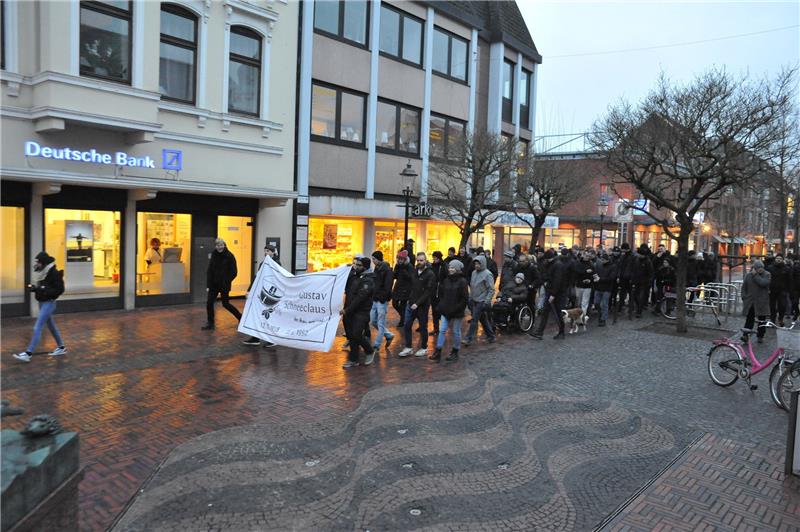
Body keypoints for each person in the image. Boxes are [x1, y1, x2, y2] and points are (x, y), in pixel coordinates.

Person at [13, 252, 67, 362]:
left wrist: (42, 289)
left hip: (49, 303)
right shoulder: (43, 273)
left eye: (38, 262)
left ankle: (28, 353)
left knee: (37, 327)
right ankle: (61, 347)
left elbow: (59, 290)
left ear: (44, 263)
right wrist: (34, 288)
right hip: (42, 302)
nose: (36, 264)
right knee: (51, 326)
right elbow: (43, 288)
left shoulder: (54, 273)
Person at [242, 245, 281, 347]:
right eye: (265, 251)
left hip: (271, 294)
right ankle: (255, 338)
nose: (266, 253)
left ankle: (272, 339)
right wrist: (249, 290)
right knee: (257, 314)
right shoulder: (262, 263)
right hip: (261, 293)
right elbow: (257, 277)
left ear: (273, 252)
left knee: (269, 316)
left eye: (268, 251)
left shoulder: (276, 263)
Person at [399, 252, 436, 357]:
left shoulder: (430, 274)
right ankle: (408, 347)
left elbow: (428, 292)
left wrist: (418, 303)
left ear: (425, 260)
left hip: (422, 306)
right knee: (407, 325)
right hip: (410, 304)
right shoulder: (415, 271)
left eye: (421, 260)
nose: (419, 262)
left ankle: (424, 347)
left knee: (423, 327)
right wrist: (409, 299)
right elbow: (411, 285)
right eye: (418, 260)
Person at [340, 257, 376, 368]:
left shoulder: (368, 280)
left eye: (359, 265)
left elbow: (360, 298)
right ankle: (353, 359)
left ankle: (369, 351)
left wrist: (347, 310)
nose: (356, 266)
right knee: (351, 336)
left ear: (365, 267)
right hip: (349, 311)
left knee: (356, 334)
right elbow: (345, 283)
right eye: (355, 264)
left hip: (361, 312)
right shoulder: (355, 276)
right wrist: (346, 270)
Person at [431, 259, 468, 362]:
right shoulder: (446, 280)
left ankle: (455, 351)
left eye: (452, 267)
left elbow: (464, 299)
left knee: (456, 331)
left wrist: (456, 309)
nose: (450, 269)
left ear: (456, 269)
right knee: (442, 330)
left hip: (457, 311)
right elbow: (442, 295)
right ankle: (438, 351)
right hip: (446, 310)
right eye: (450, 267)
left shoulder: (462, 281)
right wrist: (441, 306)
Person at [202, 238, 241, 330]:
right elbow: (210, 271)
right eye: (217, 245)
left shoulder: (230, 256)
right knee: (209, 303)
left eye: (221, 245)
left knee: (225, 304)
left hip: (224, 285)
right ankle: (210, 323)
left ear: (224, 245)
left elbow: (234, 272)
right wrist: (208, 285)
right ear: (215, 246)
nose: (219, 247)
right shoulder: (214, 255)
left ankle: (240, 317)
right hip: (214, 285)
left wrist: (226, 281)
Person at [531, 249, 568, 340]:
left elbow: (557, 281)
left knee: (558, 313)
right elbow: (545, 276)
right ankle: (539, 332)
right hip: (550, 291)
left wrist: (553, 294)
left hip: (557, 293)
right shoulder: (550, 264)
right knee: (545, 312)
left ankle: (561, 332)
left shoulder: (557, 265)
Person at [463, 255, 496, 345]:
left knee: (474, 319)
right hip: (474, 299)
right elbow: (473, 286)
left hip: (482, 300)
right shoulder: (474, 272)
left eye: (478, 264)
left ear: (483, 264)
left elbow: (491, 289)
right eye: (475, 264)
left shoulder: (488, 274)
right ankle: (491, 336)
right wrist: (470, 297)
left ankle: (468, 338)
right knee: (483, 319)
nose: (476, 265)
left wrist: (487, 301)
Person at [369, 250, 395, 352]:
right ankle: (388, 335)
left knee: (380, 323)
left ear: (378, 259)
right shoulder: (377, 268)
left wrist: (382, 298)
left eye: (374, 259)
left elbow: (388, 286)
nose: (373, 261)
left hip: (381, 300)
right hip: (375, 298)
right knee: (373, 321)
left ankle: (377, 345)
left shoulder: (387, 270)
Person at [741, 260, 771, 343]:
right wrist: (744, 297)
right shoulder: (748, 275)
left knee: (762, 320)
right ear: (755, 268)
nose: (760, 269)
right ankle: (745, 335)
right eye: (758, 268)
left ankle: (760, 336)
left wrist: (755, 275)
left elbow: (763, 283)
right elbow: (744, 287)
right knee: (749, 319)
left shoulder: (767, 274)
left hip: (762, 302)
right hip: (751, 301)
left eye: (762, 267)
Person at [593, 252, 618, 326]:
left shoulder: (613, 266)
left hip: (607, 288)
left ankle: (603, 319)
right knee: (596, 302)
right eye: (601, 259)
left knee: (604, 304)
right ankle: (600, 314)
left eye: (603, 260)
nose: (602, 261)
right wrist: (595, 277)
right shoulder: (600, 266)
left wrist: (600, 279)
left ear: (607, 260)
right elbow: (596, 273)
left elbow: (611, 278)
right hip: (599, 287)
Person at [767, 253, 792, 327]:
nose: (778, 260)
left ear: (782, 260)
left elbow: (790, 280)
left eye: (780, 259)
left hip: (783, 290)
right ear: (775, 259)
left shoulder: (786, 268)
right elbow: (767, 278)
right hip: (772, 290)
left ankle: (780, 318)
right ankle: (772, 319)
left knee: (782, 305)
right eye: (777, 258)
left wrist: (789, 290)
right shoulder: (770, 267)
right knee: (772, 306)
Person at [392, 250, 414, 327]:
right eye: (398, 258)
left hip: (406, 289)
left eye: (401, 259)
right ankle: (404, 317)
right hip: (397, 287)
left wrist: (404, 271)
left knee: (403, 306)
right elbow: (395, 276)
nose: (399, 260)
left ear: (404, 259)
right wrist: (394, 272)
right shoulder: (397, 265)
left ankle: (402, 321)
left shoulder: (409, 266)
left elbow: (411, 277)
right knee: (394, 303)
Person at [429, 251, 447, 337]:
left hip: (441, 292)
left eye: (435, 258)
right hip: (433, 292)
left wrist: (442, 286)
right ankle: (436, 328)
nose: (434, 260)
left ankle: (443, 328)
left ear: (439, 258)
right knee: (434, 311)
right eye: (433, 258)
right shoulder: (432, 266)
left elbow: (446, 278)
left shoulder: (443, 266)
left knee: (441, 311)